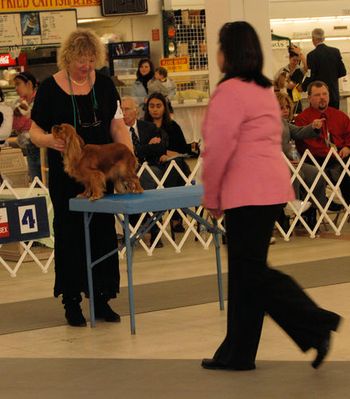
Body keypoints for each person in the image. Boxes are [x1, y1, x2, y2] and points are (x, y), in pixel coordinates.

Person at [201, 21, 341, 372]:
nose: (215, 52)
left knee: (251, 274)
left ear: (229, 52)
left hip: (244, 192)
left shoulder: (228, 92)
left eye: (218, 45)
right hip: (271, 189)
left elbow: (218, 150)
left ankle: (316, 323)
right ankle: (238, 353)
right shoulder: (262, 89)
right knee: (246, 274)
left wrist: (212, 195)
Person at [29, 28, 132, 327]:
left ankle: (101, 299)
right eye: (79, 60)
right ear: (67, 58)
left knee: (102, 234)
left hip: (100, 174)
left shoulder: (105, 85)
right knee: (70, 236)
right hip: (67, 180)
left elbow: (117, 126)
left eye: (90, 60)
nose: (85, 66)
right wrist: (49, 140)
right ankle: (72, 301)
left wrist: (127, 155)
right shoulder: (50, 88)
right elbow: (34, 131)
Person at [277, 92, 341, 229]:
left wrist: (313, 127)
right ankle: (290, 205)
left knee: (316, 172)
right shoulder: (265, 125)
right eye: (282, 107)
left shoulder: (285, 123)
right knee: (296, 174)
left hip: (291, 162)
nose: (286, 110)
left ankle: (318, 206)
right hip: (276, 163)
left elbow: (299, 132)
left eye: (287, 107)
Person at [144, 92, 198, 232]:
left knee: (175, 166)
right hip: (152, 166)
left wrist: (171, 154)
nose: (155, 109)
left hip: (174, 166)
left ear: (164, 108)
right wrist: (162, 153)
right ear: (147, 108)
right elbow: (142, 150)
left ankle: (176, 218)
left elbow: (182, 149)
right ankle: (162, 219)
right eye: (151, 106)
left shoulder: (173, 126)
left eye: (158, 106)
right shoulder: (143, 127)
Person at [121, 96, 168, 247]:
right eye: (121, 110)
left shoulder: (149, 127)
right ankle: (132, 228)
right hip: (124, 171)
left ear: (136, 111)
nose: (123, 113)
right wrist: (145, 148)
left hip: (149, 168)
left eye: (127, 109)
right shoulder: (116, 131)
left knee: (148, 176)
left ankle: (154, 231)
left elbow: (160, 148)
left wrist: (136, 150)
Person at [295, 81, 350, 206]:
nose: (322, 98)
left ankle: (346, 203)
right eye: (317, 95)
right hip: (316, 159)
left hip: (341, 155)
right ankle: (330, 203)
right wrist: (334, 155)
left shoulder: (340, 116)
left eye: (325, 94)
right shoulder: (302, 119)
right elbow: (309, 145)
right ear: (309, 98)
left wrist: (348, 147)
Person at [302, 28, 346, 109]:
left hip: (318, 97)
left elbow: (310, 75)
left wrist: (303, 87)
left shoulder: (311, 55)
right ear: (323, 38)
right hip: (333, 94)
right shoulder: (335, 51)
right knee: (333, 118)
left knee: (319, 119)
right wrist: (331, 77)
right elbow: (343, 72)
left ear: (313, 39)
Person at [12, 71, 41, 181]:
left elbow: (39, 123)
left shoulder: (40, 99)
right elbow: (16, 126)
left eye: (18, 84)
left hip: (43, 147)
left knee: (47, 182)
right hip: (29, 147)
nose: (16, 88)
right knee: (36, 182)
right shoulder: (19, 103)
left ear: (29, 84)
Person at [275, 44, 307, 114]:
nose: (295, 62)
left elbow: (307, 67)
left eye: (297, 61)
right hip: (284, 100)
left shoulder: (300, 70)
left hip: (297, 100)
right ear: (289, 58)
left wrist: (301, 54)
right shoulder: (282, 70)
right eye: (294, 60)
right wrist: (285, 85)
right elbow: (275, 84)